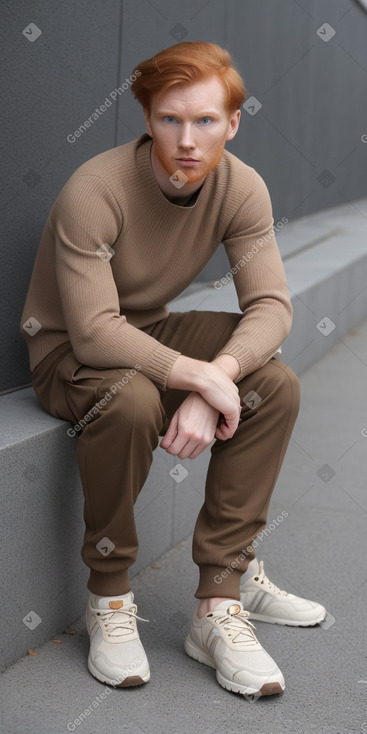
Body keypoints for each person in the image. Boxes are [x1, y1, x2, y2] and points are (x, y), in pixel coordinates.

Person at [20, 41, 326, 698]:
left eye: (206, 121)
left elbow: (270, 304)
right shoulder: (95, 190)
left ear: (233, 122)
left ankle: (222, 596)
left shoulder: (239, 187)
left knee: (270, 384)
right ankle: (108, 598)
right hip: (70, 356)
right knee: (128, 400)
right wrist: (198, 378)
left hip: (151, 335)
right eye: (169, 120)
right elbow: (96, 333)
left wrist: (211, 378)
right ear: (147, 117)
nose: (188, 141)